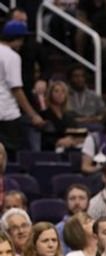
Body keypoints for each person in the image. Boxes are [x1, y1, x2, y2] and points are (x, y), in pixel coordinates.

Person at [0, 20, 44, 156]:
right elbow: (16, 89)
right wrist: (33, 115)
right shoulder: (12, 56)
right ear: (17, 38)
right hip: (7, 115)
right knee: (10, 157)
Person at [56, 183, 90, 255]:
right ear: (66, 202)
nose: (77, 202)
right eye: (72, 198)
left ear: (88, 201)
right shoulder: (59, 228)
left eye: (81, 198)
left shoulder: (94, 225)